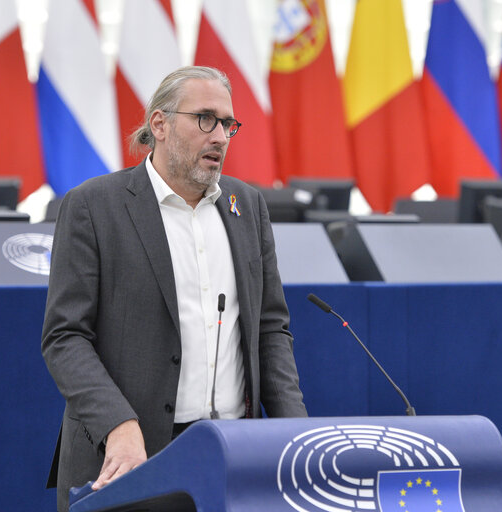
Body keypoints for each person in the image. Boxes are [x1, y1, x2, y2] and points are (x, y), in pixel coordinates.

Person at [41, 66, 307, 512]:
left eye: (228, 123)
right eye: (205, 119)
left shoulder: (249, 206)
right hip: (129, 459)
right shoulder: (93, 206)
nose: (220, 136)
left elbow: (270, 329)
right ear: (159, 125)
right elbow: (65, 338)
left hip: (230, 458)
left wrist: (296, 436)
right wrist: (118, 426)